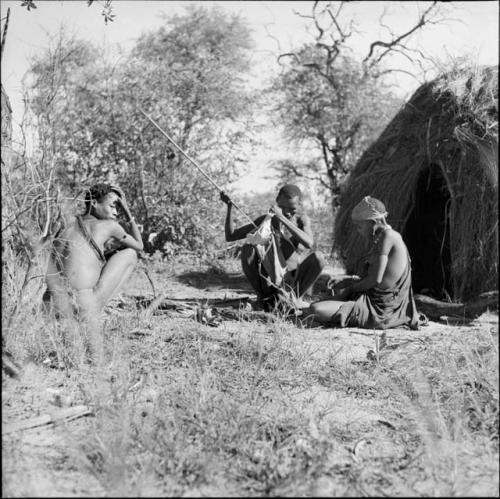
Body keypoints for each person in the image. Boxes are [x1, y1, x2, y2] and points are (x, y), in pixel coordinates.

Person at [305, 196, 419, 329]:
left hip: (381, 309)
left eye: (360, 226)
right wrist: (349, 279)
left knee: (315, 309)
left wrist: (351, 288)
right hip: (374, 300)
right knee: (319, 304)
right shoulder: (381, 238)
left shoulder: (388, 237)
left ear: (373, 221)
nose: (358, 231)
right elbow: (379, 278)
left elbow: (376, 280)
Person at [44, 183, 143, 326]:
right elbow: (139, 246)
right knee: (131, 254)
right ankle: (92, 314)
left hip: (51, 304)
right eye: (112, 206)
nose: (116, 212)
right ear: (95, 203)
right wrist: (127, 211)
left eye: (118, 208)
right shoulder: (109, 226)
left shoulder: (65, 221)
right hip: (79, 306)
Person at [220, 184, 325, 311]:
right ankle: (262, 299)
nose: (287, 212)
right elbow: (231, 236)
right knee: (248, 249)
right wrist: (230, 207)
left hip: (294, 285)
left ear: (300, 205)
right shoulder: (267, 221)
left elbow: (309, 243)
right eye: (282, 207)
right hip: (271, 285)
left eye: (292, 208)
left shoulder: (302, 221)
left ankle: (295, 300)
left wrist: (282, 218)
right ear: (276, 203)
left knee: (318, 258)